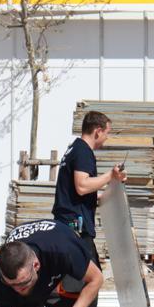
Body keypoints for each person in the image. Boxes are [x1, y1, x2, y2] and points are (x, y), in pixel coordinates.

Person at [53, 110, 126, 266]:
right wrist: (110, 176)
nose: (107, 138)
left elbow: (74, 190)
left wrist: (100, 196)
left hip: (69, 225)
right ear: (98, 131)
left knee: (89, 278)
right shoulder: (83, 152)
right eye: (107, 133)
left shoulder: (74, 148)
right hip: (75, 228)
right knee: (89, 280)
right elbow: (82, 186)